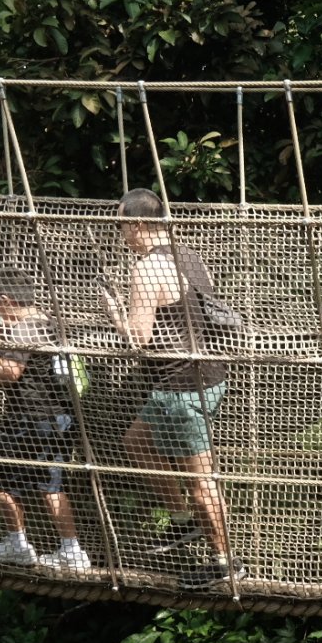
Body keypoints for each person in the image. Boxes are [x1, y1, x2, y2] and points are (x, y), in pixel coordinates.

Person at [101, 187, 242, 589]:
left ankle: (225, 563)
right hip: (207, 376)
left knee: (202, 481)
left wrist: (114, 314)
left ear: (139, 223)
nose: (121, 233)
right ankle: (183, 521)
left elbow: (138, 340)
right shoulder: (191, 257)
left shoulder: (145, 269)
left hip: (182, 388)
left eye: (122, 225)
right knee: (137, 443)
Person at [0, 268, 91, 572]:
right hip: (59, 416)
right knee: (51, 485)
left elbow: (11, 372)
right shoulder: (51, 322)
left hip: (29, 417)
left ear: (6, 300)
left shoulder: (24, 329)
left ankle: (19, 545)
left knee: (4, 482)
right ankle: (70, 550)